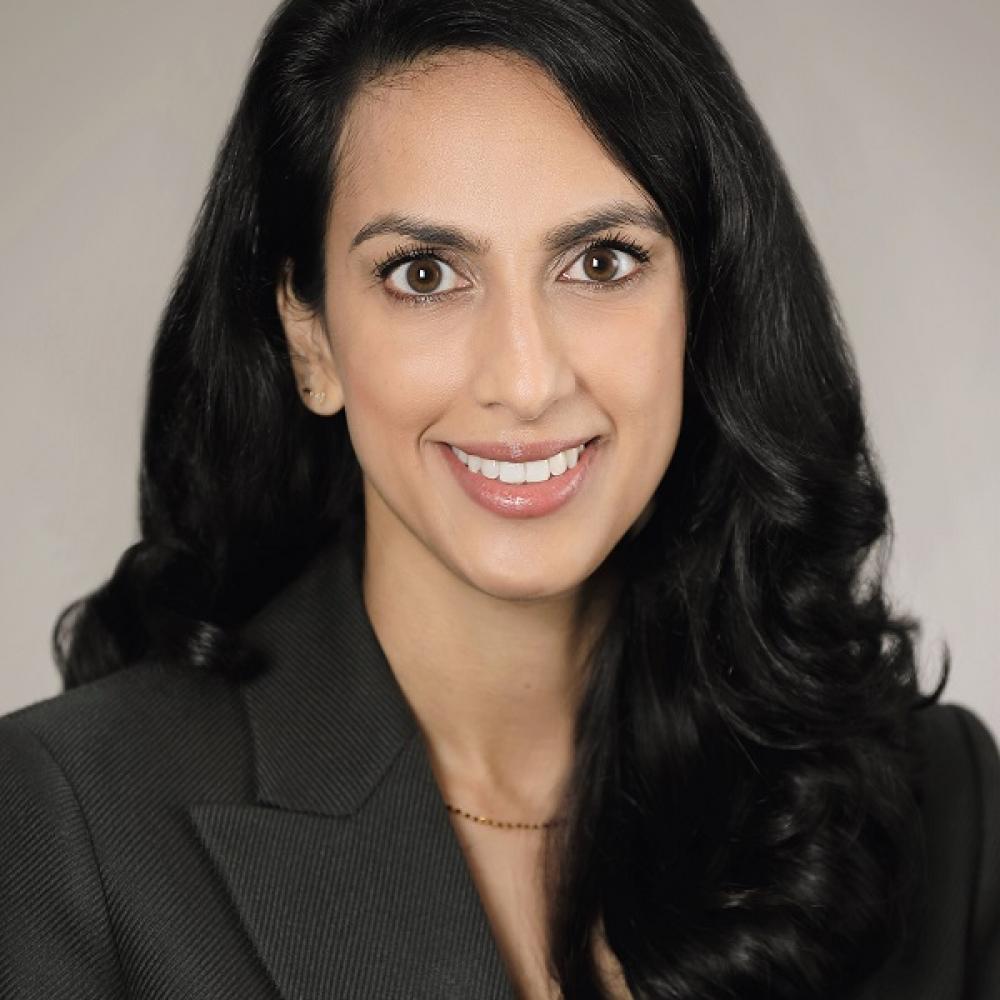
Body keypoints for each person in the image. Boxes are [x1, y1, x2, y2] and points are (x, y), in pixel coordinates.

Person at [1, 0, 997, 997]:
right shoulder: (76, 820)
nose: (524, 380)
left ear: (704, 298)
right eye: (425, 274)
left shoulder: (938, 806)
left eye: (601, 262)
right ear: (309, 337)